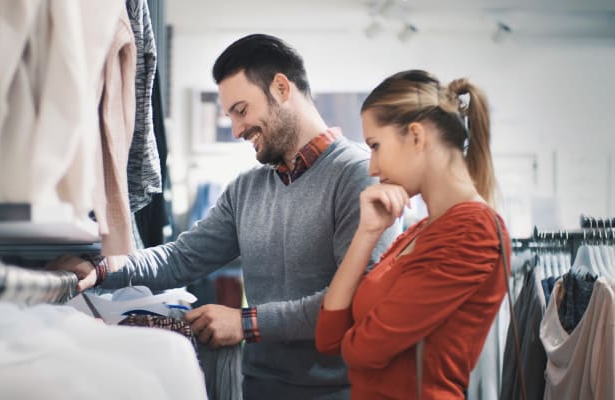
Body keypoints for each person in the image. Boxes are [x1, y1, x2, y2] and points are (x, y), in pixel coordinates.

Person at [48, 34, 396, 400]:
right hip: (258, 388)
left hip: (337, 392)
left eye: (241, 110)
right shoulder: (246, 189)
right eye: (230, 116)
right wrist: (103, 269)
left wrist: (246, 323)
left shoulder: (357, 175)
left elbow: (356, 302)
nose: (236, 130)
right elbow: (181, 258)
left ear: (281, 88)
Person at [314, 69, 511, 399]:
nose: (372, 168)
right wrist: (366, 233)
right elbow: (330, 338)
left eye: (376, 146)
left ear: (417, 136)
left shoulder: (473, 231)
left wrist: (356, 337)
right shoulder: (423, 229)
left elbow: (363, 351)